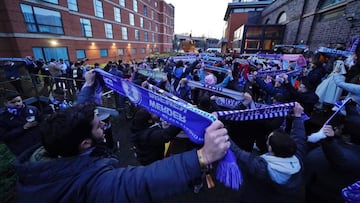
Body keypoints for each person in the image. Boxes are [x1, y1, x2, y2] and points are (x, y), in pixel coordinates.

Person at [13, 103, 230, 202]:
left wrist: (88, 88)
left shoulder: (50, 152)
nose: (105, 127)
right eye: (100, 126)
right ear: (85, 144)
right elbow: (140, 182)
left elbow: (72, 122)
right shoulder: (92, 183)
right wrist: (203, 156)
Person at [230, 102, 306, 203]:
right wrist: (297, 116)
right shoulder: (298, 159)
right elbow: (299, 137)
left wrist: (218, 129)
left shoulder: (262, 168)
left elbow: (237, 152)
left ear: (270, 148)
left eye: (268, 139)